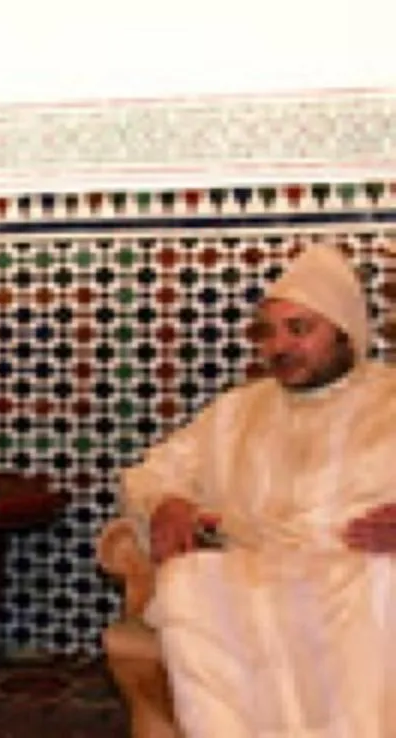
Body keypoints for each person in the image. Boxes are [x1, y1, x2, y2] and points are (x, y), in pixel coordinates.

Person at [119, 242, 396, 737]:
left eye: (299, 329)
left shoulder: (388, 399)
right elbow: (158, 470)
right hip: (255, 571)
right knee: (186, 584)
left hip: (359, 571)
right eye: (267, 332)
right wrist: (167, 503)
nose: (278, 346)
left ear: (345, 332)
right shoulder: (238, 411)